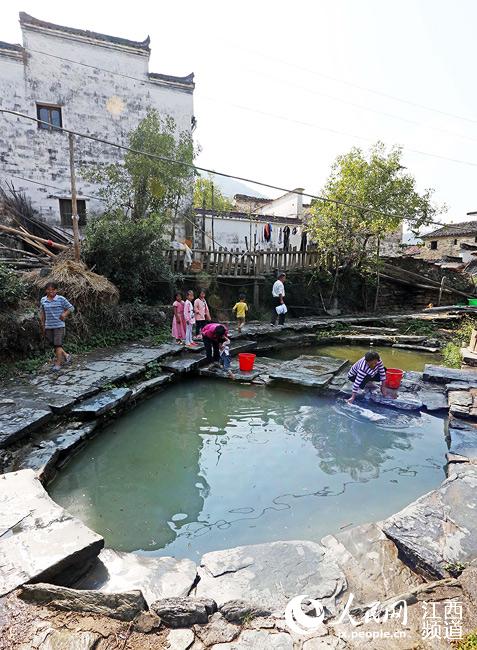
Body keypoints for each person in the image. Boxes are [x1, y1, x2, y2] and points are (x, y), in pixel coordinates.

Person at [40, 282, 74, 372]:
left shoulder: (61, 299)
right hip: (48, 326)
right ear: (46, 290)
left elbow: (71, 308)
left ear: (56, 290)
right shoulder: (43, 300)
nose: (51, 291)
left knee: (58, 345)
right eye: (48, 290)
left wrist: (64, 314)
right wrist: (43, 325)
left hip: (59, 325)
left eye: (53, 290)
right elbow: (42, 313)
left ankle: (58, 364)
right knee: (54, 344)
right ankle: (66, 355)